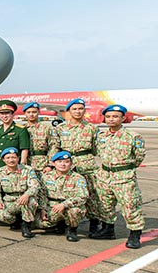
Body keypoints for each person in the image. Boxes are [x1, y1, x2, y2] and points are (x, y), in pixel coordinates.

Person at [90, 104, 146, 249]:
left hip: (124, 176)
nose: (111, 119)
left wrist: (125, 168)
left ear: (123, 118)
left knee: (130, 205)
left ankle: (135, 235)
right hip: (104, 175)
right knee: (105, 204)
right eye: (108, 117)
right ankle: (108, 230)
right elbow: (98, 152)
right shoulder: (102, 136)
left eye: (115, 116)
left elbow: (139, 157)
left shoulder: (132, 136)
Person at [55, 98, 101, 235]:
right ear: (69, 111)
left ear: (84, 111)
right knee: (64, 191)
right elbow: (55, 147)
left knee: (92, 193)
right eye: (74, 109)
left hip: (85, 162)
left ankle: (94, 222)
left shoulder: (92, 128)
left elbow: (95, 148)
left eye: (80, 108)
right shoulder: (60, 128)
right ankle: (65, 222)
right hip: (66, 162)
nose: (77, 111)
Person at [36, 151, 88, 242]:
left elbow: (83, 196)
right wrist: (43, 209)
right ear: (53, 163)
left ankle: (72, 229)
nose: (63, 164)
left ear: (71, 163)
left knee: (74, 211)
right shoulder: (46, 177)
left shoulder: (78, 178)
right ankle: (59, 225)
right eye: (59, 162)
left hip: (69, 206)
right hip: (52, 206)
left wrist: (64, 205)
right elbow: (42, 194)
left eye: (66, 162)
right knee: (40, 223)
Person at [0, 147, 40, 238]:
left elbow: (35, 186)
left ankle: (26, 225)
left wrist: (26, 194)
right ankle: (16, 221)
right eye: (8, 158)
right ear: (3, 160)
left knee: (30, 201)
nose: (11, 160)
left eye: (14, 157)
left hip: (24, 198)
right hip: (9, 201)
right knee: (1, 215)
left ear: (18, 158)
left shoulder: (27, 170)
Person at [0, 100, 30, 172]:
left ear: (13, 114)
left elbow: (24, 149)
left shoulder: (20, 130)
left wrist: (22, 165)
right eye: (2, 113)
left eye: (7, 113)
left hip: (13, 166)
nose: (4, 116)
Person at [21, 102, 59, 173]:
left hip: (43, 164)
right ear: (25, 113)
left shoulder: (47, 128)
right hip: (26, 164)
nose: (31, 114)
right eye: (28, 112)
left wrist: (50, 165)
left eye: (34, 112)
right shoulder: (21, 129)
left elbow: (54, 146)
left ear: (39, 112)